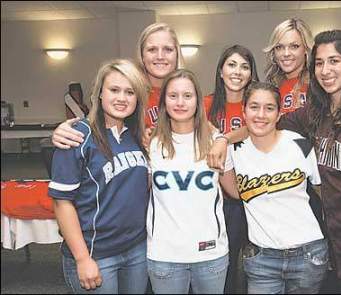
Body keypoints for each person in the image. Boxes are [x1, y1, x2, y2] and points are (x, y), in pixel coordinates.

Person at [209, 30, 341, 294]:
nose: (325, 70)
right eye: (319, 63)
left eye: (335, 61)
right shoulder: (318, 113)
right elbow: (263, 123)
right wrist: (223, 140)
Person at [48, 59, 151, 294]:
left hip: (136, 249)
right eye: (114, 90)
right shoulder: (77, 136)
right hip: (96, 253)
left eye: (130, 92)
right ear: (99, 94)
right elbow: (61, 202)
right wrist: (83, 259)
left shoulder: (137, 136)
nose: (122, 98)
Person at [226, 81, 328, 294]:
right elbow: (235, 192)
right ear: (243, 111)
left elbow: (322, 192)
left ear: (279, 113)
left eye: (269, 108)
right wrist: (221, 140)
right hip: (261, 259)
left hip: (308, 255)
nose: (261, 115)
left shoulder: (300, 144)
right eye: (254, 107)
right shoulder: (232, 152)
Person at [146, 69, 239, 294]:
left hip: (210, 255)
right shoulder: (151, 145)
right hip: (164, 256)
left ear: (198, 100)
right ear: (163, 101)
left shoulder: (216, 143)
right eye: (173, 95)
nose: (180, 102)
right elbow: (139, 193)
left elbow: (236, 192)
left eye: (187, 96)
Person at [51, 22, 184, 149]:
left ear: (177, 54)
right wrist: (65, 131)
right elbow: (97, 124)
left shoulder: (187, 94)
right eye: (152, 49)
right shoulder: (128, 92)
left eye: (168, 49)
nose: (160, 56)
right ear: (142, 55)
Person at [203, 44, 259, 293]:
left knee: (254, 265)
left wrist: (224, 138)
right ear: (221, 71)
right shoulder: (205, 104)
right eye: (232, 65)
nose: (238, 72)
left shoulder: (256, 104)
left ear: (251, 73)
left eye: (245, 66)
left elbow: (255, 126)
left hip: (255, 194)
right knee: (222, 265)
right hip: (216, 199)